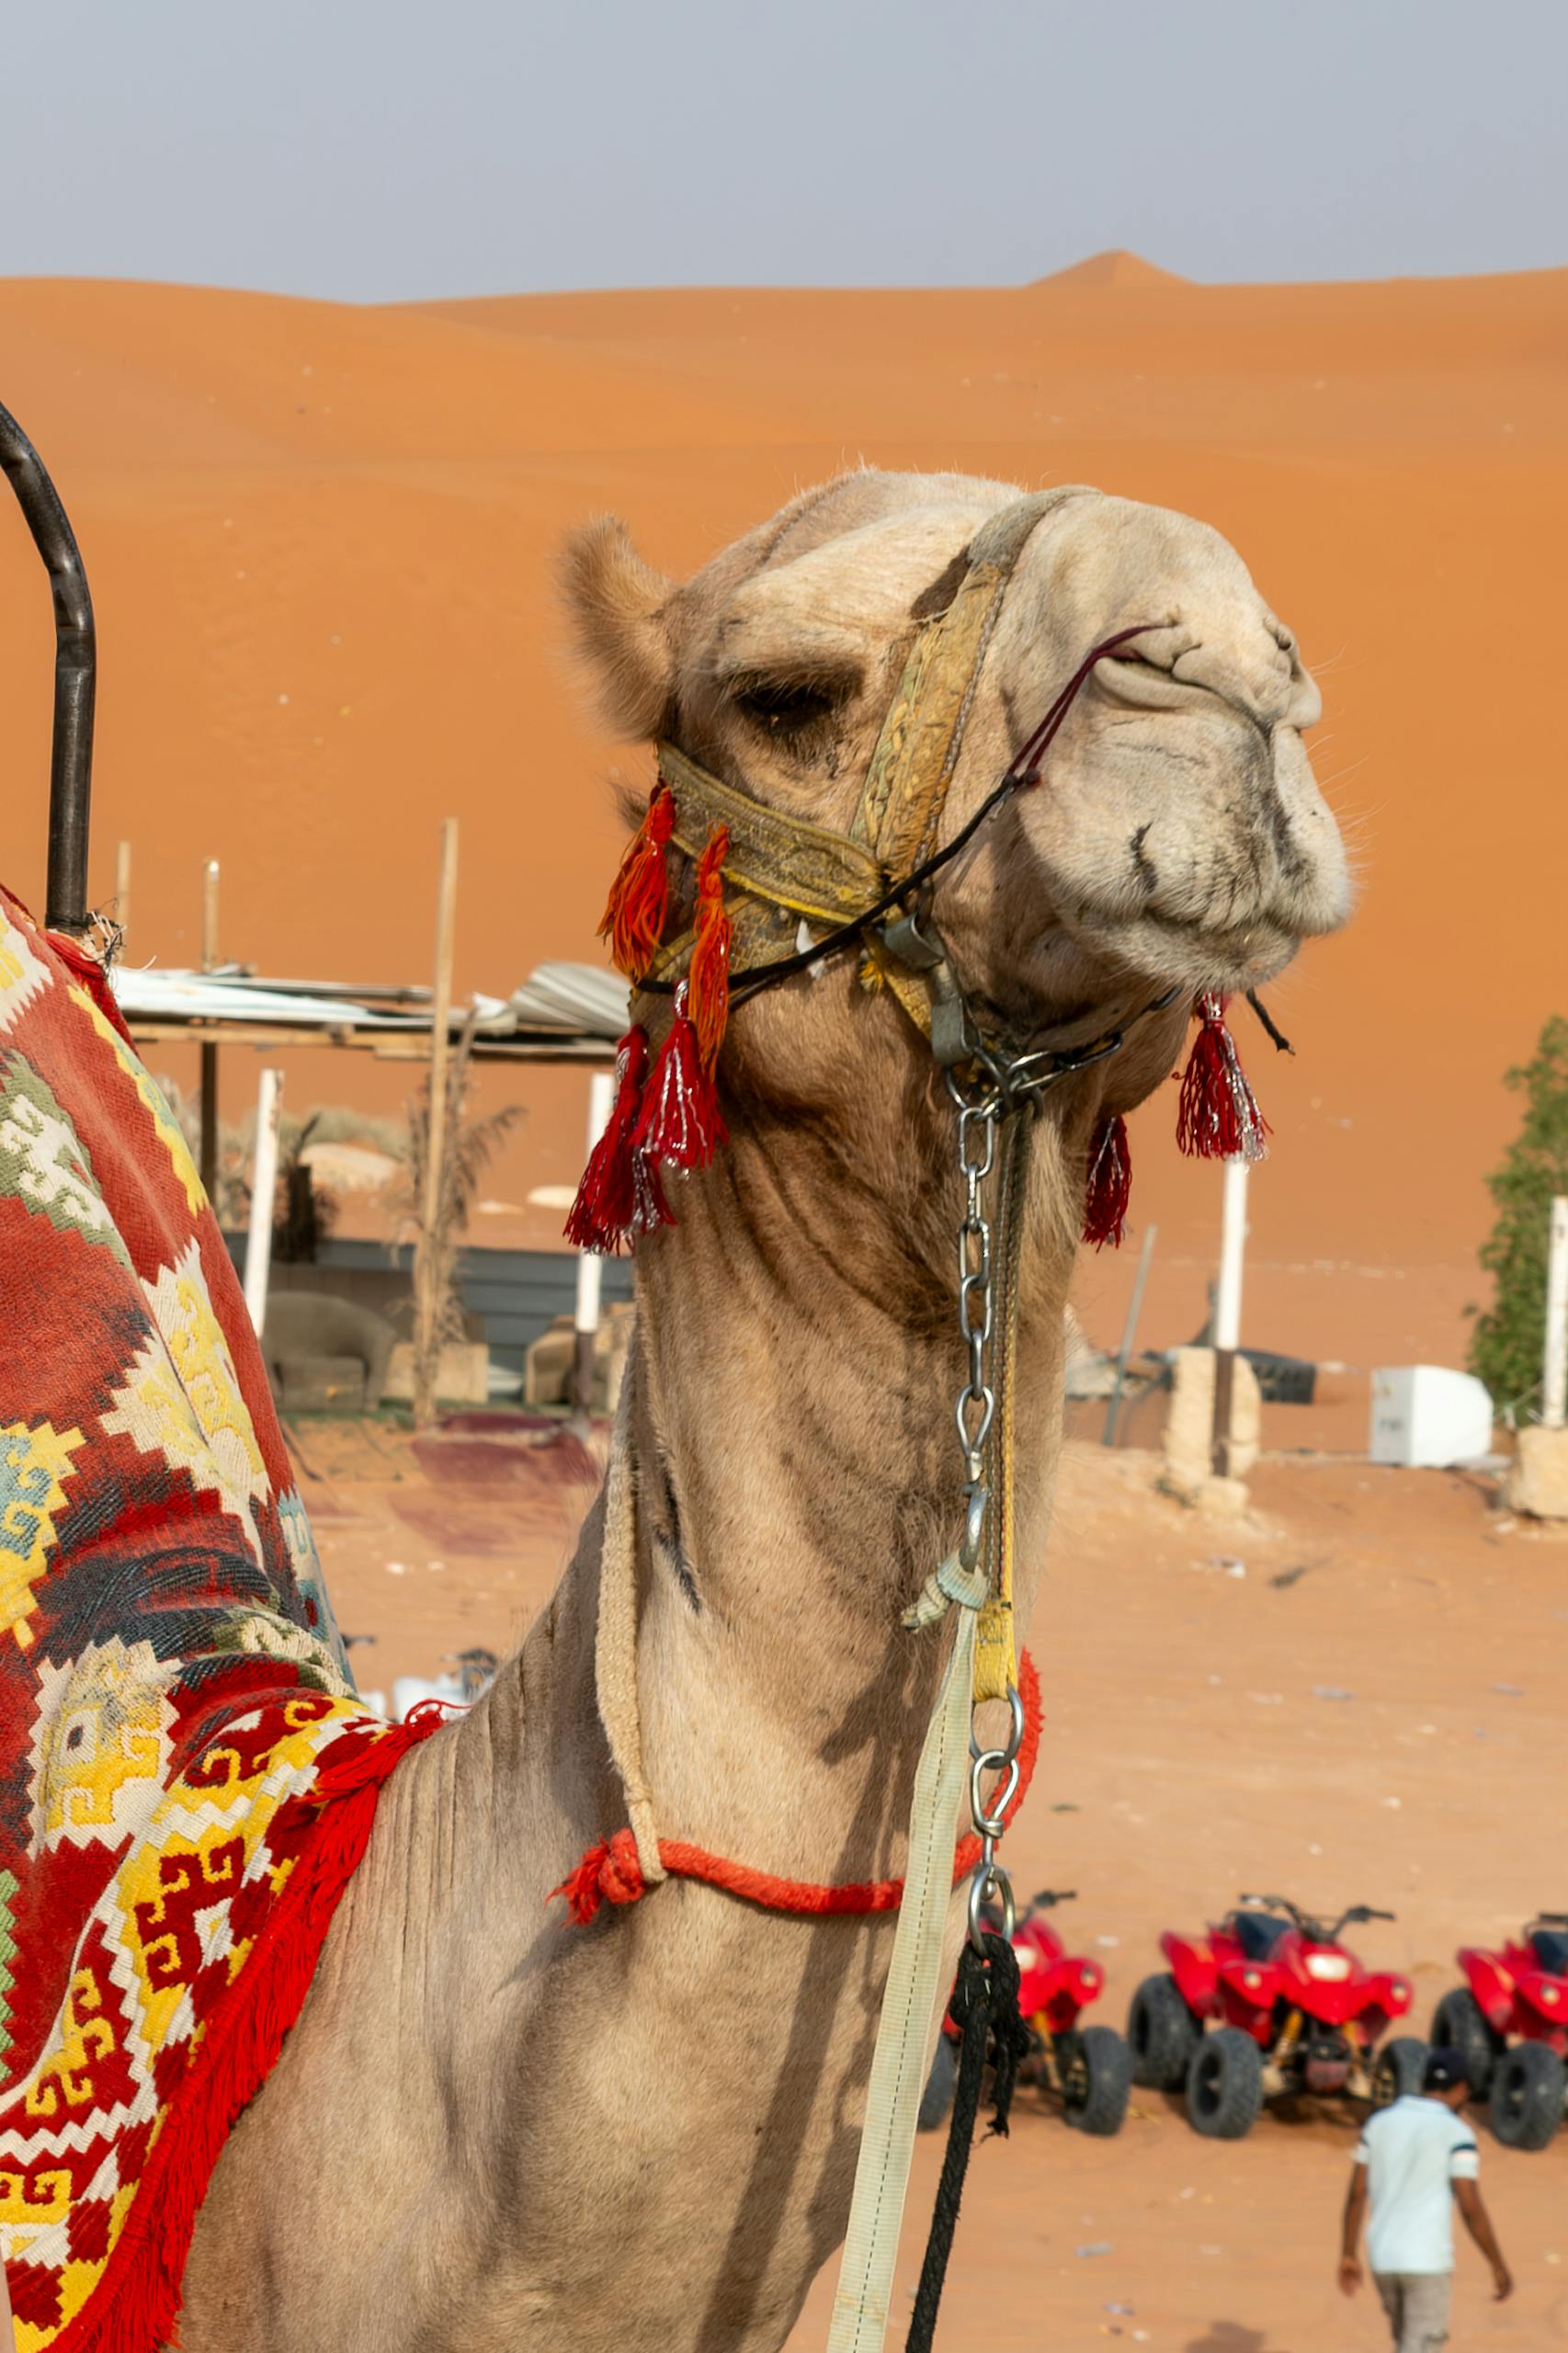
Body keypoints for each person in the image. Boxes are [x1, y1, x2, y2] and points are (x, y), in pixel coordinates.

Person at [1338, 2046, 1513, 2349]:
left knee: (1406, 2342)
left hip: (1383, 2259)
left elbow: (1356, 2194)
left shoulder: (1378, 2123)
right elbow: (1470, 2206)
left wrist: (1348, 2253)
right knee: (1421, 2346)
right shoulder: (1457, 2132)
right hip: (1427, 2262)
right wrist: (1496, 2263)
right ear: (1461, 2088)